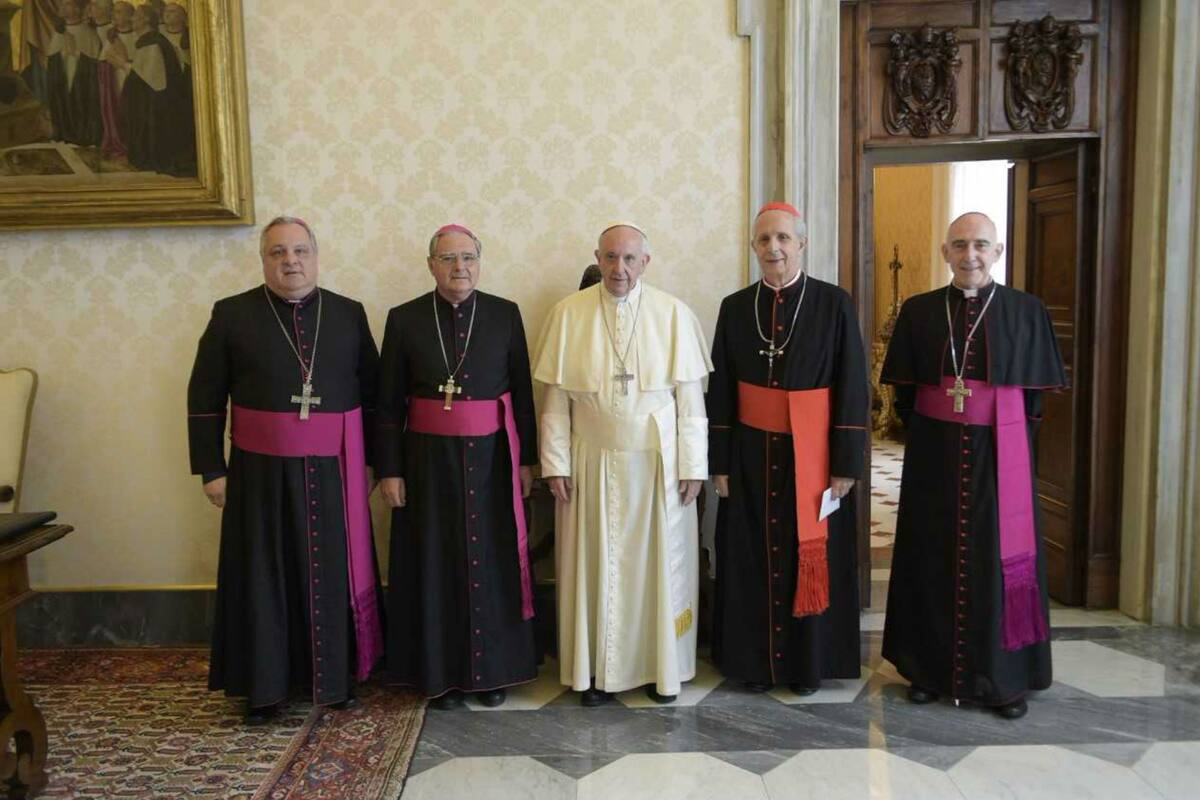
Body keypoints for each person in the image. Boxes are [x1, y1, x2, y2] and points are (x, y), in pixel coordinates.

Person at [187, 216, 383, 724]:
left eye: (299, 251)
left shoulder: (348, 314)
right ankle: (265, 689)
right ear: (263, 260)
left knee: (330, 571)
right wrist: (211, 467)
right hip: (257, 473)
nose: (290, 261)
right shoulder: (232, 315)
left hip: (333, 469)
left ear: (316, 256)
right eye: (277, 252)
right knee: (263, 576)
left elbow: (375, 396)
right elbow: (204, 397)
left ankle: (335, 681)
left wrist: (375, 464)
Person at [880, 211, 1067, 720]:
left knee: (998, 561)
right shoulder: (920, 313)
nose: (970, 255)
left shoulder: (1025, 312)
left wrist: (1002, 442)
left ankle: (1003, 679)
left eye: (981, 245)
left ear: (997, 252)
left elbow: (1033, 403)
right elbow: (903, 396)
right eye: (959, 245)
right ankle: (925, 670)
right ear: (945, 252)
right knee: (929, 555)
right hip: (933, 459)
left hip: (998, 459)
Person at [533, 223, 711, 706]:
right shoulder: (568, 315)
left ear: (646, 262)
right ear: (597, 257)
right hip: (590, 463)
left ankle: (661, 671)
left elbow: (691, 403)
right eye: (611, 258)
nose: (620, 269)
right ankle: (593, 673)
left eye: (630, 259)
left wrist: (693, 466)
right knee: (594, 568)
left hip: (658, 467)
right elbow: (555, 402)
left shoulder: (673, 314)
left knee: (658, 570)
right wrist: (555, 464)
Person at [706, 202, 869, 695]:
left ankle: (807, 664)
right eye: (763, 240)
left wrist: (845, 464)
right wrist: (720, 461)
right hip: (750, 454)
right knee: (750, 555)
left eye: (782, 238)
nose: (772, 248)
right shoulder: (735, 307)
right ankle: (752, 664)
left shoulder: (833, 303)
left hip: (815, 456)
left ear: (801, 244)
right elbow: (721, 389)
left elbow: (852, 384)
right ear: (754, 247)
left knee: (807, 553)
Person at [376, 224, 539, 710]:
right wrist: (390, 470)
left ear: (479, 263)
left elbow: (523, 397)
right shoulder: (403, 319)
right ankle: (438, 675)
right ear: (431, 265)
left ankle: (491, 673)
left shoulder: (504, 314)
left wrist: (527, 460)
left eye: (468, 258)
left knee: (490, 561)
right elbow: (387, 404)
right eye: (448, 259)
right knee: (433, 564)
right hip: (426, 464)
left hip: (492, 462)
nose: (459, 268)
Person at [46, 0, 103, 146]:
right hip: (64, 76)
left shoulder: (88, 33)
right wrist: (62, 54)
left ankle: (82, 134)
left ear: (78, 9)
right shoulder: (59, 32)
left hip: (80, 80)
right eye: (62, 4)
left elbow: (95, 62)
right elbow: (52, 59)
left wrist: (76, 53)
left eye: (67, 4)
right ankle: (64, 132)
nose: (62, 7)